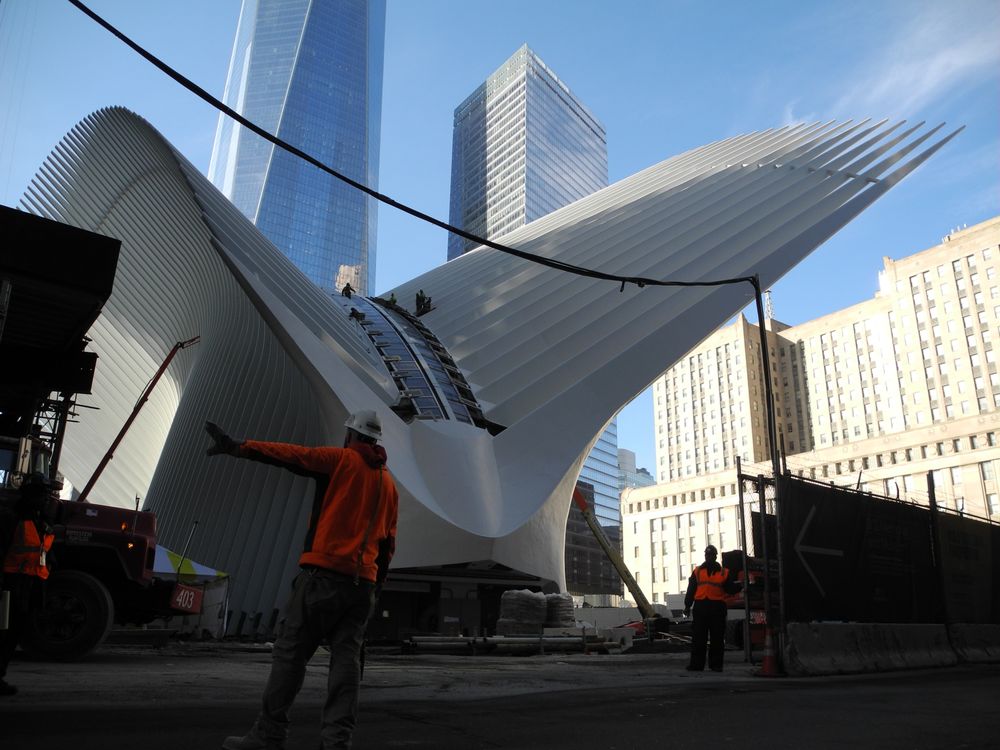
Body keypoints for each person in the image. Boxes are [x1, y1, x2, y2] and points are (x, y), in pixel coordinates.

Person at [206, 410, 399, 750]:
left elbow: (292, 455)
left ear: (351, 435)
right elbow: (388, 544)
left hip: (323, 579)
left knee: (290, 654)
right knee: (346, 662)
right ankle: (337, 742)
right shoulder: (388, 484)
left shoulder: (340, 460)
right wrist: (375, 584)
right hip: (362, 587)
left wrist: (239, 447)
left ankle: (268, 734)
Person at [1, 473, 56, 696]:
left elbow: (44, 552)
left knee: (14, 632)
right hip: (11, 584)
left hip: (31, 584)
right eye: (41, 493)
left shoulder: (42, 522)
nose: (45, 498)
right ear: (29, 494)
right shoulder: (11, 518)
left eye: (46, 494)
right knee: (3, 632)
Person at [683, 544, 738, 672]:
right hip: (702, 606)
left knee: (717, 638)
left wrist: (740, 586)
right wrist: (687, 605)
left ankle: (716, 665)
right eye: (707, 555)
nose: (709, 557)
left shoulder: (724, 572)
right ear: (705, 556)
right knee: (698, 638)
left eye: (711, 555)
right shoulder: (697, 571)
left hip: (716, 607)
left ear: (715, 556)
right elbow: (691, 590)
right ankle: (697, 665)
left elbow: (729, 588)